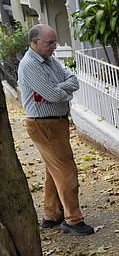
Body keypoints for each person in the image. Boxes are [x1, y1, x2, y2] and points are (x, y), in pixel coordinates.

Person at [17, 24, 94, 236]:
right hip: (44, 124)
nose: (54, 47)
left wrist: (59, 89)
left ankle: (51, 215)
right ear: (34, 42)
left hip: (55, 122)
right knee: (66, 171)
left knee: (54, 170)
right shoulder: (30, 65)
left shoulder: (49, 61)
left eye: (55, 42)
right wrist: (62, 90)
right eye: (50, 43)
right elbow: (53, 95)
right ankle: (73, 219)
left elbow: (73, 80)